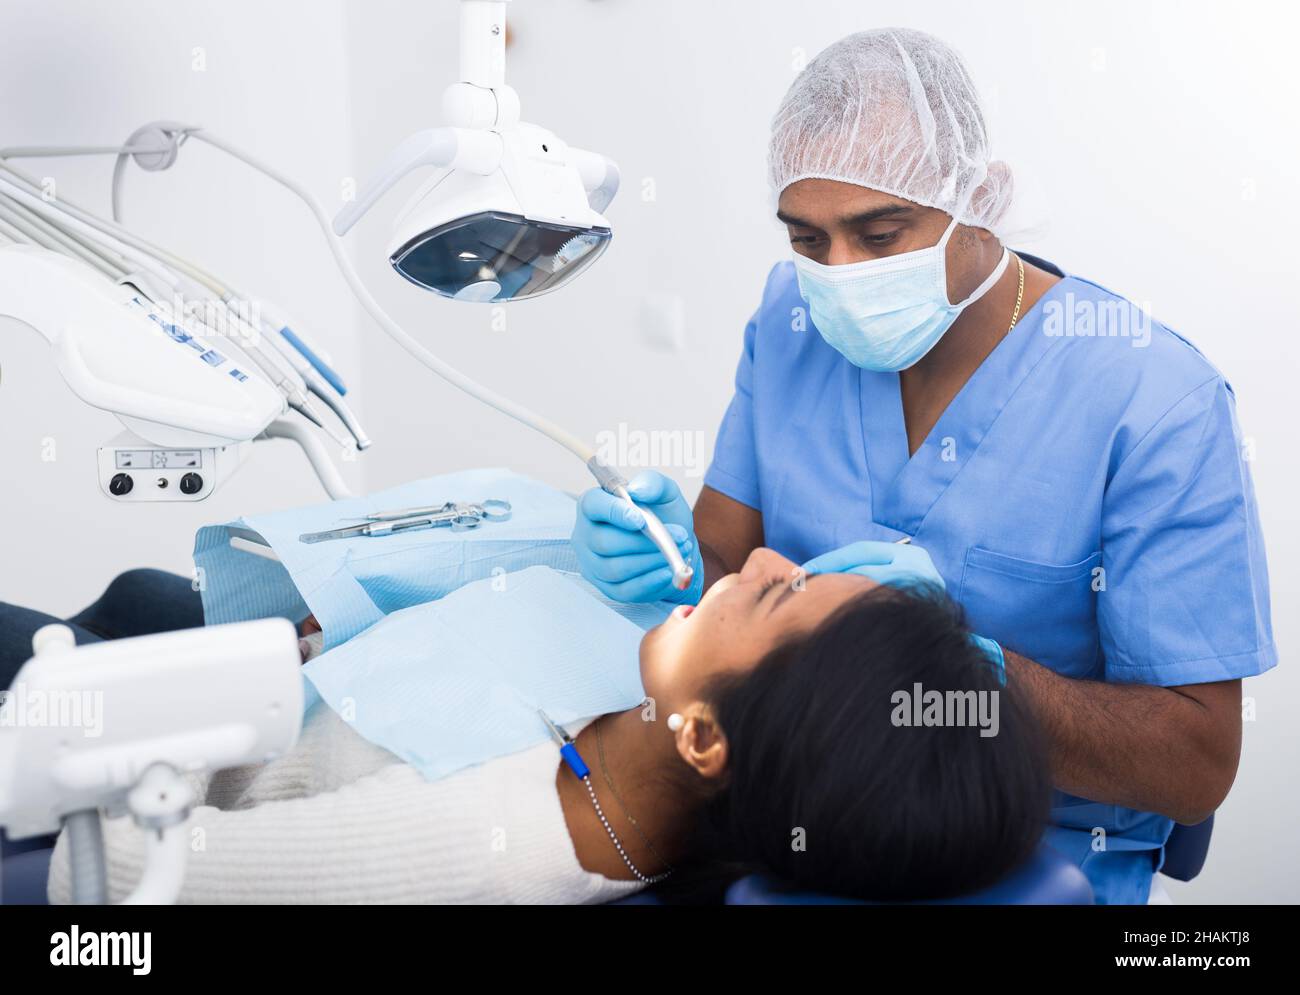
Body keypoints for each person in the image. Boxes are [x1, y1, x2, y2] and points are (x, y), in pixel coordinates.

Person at [569, 27, 1275, 904]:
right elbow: (718, 563)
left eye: (879, 233)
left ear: (979, 198)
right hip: (784, 821)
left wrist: (966, 678)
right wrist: (663, 553)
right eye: (808, 239)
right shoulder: (795, 320)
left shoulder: (1152, 400)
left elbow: (1196, 761)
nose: (841, 273)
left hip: (1030, 853)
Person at [35, 550, 1048, 904]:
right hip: (232, 667)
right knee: (140, 591)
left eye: (778, 596)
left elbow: (104, 873)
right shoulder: (647, 708)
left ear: (707, 740)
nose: (766, 557)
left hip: (137, 739)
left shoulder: (476, 848)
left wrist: (169, 698)